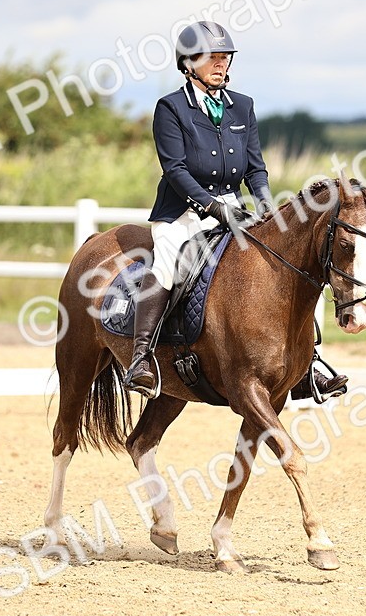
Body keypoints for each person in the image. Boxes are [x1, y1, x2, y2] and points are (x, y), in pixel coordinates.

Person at [121, 20, 348, 402]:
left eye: (225, 57)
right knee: (168, 262)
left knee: (281, 264)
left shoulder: (242, 105)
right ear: (188, 62)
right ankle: (142, 359)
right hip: (183, 212)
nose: (220, 63)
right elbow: (175, 170)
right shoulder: (171, 108)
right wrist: (214, 210)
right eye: (212, 57)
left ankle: (306, 366)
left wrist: (263, 205)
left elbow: (256, 168)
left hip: (236, 207)